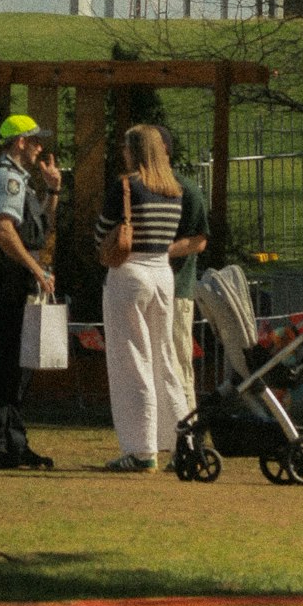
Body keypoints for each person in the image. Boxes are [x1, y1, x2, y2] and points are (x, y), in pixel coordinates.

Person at [96, 122, 188, 474]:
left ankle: (140, 449)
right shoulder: (174, 191)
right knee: (164, 361)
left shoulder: (126, 186)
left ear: (134, 150)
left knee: (131, 361)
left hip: (130, 273)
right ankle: (182, 442)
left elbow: (102, 233)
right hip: (163, 274)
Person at [0, 114, 61, 471]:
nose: (41, 147)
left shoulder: (24, 182)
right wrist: (34, 268)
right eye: (35, 140)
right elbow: (4, 229)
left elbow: (40, 226)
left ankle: (14, 443)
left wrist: (53, 190)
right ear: (20, 142)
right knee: (7, 365)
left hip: (23, 281)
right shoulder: (7, 178)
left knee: (20, 366)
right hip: (10, 283)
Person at [154, 122, 208, 416]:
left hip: (176, 290)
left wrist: (159, 252)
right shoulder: (140, 188)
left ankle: (190, 436)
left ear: (162, 148)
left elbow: (199, 240)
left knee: (177, 363)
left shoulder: (185, 190)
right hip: (148, 289)